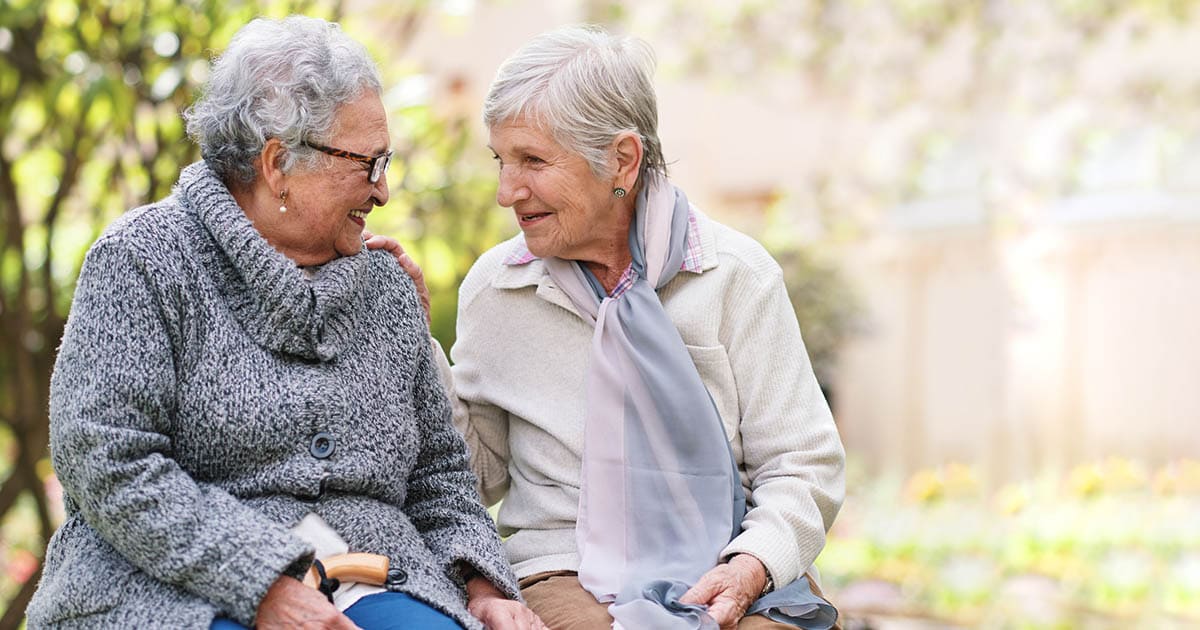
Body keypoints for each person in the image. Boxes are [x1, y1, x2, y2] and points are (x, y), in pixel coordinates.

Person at [25, 16, 545, 630]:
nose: (383, 192)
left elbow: (438, 473)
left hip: (380, 575)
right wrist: (265, 584)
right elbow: (110, 462)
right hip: (175, 584)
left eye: (387, 161)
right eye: (369, 164)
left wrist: (484, 587)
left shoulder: (383, 285)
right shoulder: (142, 260)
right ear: (277, 164)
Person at [383, 25, 846, 630]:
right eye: (502, 159)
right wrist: (417, 343)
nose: (505, 192)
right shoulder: (498, 289)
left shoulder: (735, 276)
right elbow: (476, 476)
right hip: (562, 567)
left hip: (728, 559)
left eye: (533, 161)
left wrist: (750, 565)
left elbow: (802, 464)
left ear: (621, 159)